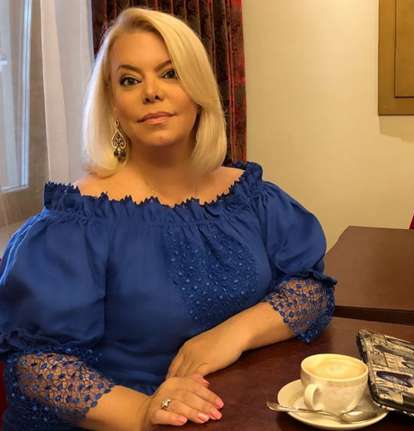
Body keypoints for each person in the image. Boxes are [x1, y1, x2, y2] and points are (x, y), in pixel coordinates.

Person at [0, 7, 336, 431]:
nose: (151, 92)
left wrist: (235, 333)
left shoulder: (250, 197)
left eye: (170, 73)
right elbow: (39, 366)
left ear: (198, 88)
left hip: (238, 411)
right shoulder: (75, 222)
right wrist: (142, 411)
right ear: (112, 103)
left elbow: (310, 289)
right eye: (129, 80)